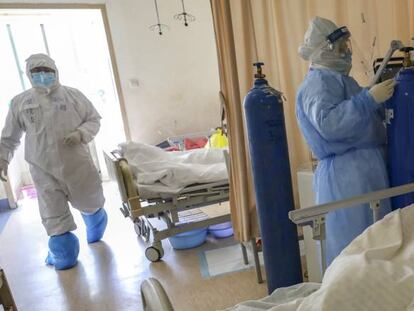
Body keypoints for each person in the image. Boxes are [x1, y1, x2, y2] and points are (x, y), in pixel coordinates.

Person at [296, 17, 395, 265]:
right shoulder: (318, 82)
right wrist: (368, 100)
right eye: (341, 47)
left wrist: (374, 101)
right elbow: (330, 124)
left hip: (365, 169)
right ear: (325, 50)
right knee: (353, 251)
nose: (346, 52)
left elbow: (361, 117)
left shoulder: (340, 80)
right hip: (346, 177)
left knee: (377, 244)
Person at [0, 53, 107, 270]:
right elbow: (9, 137)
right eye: (36, 72)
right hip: (43, 171)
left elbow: (94, 119)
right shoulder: (21, 102)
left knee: (93, 209)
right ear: (29, 74)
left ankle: (93, 232)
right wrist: (3, 158)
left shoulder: (73, 96)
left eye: (47, 71)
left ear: (55, 71)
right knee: (57, 226)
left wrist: (80, 133)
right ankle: (60, 254)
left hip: (77, 166)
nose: (42, 75)